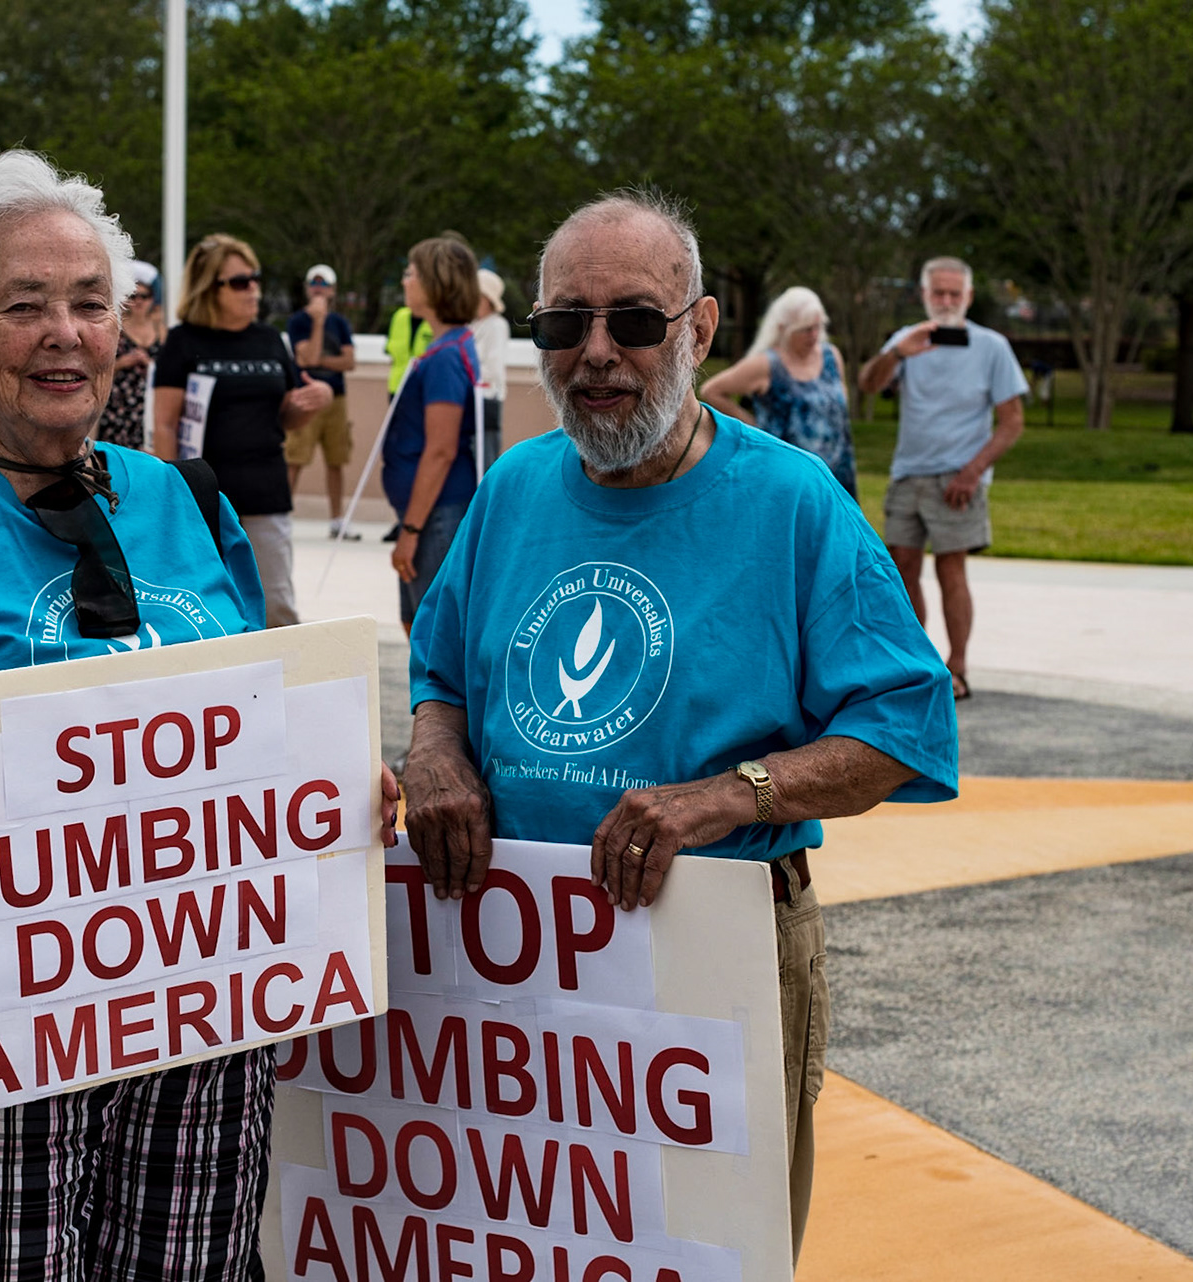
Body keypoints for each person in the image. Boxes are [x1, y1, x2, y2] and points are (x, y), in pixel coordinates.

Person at [0, 151, 394, 1281]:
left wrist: (339, 786)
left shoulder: (186, 504)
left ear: (123, 329)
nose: (66, 332)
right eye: (25, 304)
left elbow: (256, 727)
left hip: (199, 1031)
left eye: (91, 303)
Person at [402, 190, 959, 1264]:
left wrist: (727, 797)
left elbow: (905, 724)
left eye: (636, 322)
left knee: (701, 1249)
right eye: (564, 325)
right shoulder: (515, 488)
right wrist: (435, 750)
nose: (597, 353)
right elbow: (441, 667)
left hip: (713, 961)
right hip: (507, 962)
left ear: (700, 331)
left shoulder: (792, 503)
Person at [857, 256, 1028, 701]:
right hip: (908, 472)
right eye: (939, 293)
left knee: (952, 568)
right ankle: (918, 665)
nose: (947, 301)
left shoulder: (992, 347)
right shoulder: (909, 339)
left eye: (956, 294)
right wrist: (897, 353)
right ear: (924, 295)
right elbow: (868, 385)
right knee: (902, 569)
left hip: (959, 477)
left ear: (969, 297)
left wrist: (973, 472)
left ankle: (958, 667)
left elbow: (1012, 422)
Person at [151, 235, 332, 627]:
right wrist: (172, 494)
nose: (253, 289)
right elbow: (165, 423)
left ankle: (284, 688)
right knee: (206, 606)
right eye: (239, 281)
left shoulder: (269, 339)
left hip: (267, 490)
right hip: (204, 498)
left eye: (255, 278)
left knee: (276, 606)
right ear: (209, 288)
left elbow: (284, 415)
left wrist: (309, 403)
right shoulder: (183, 341)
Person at [384, 236, 481, 637]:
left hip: (435, 517)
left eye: (411, 273)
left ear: (434, 282)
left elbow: (440, 450)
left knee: (434, 636)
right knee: (419, 626)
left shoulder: (444, 357)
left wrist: (409, 532)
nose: (405, 281)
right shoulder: (447, 346)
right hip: (429, 515)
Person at [699, 285, 858, 499]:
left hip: (836, 474)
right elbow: (712, 391)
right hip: (787, 476)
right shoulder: (768, 365)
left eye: (817, 327)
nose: (814, 335)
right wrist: (754, 427)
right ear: (784, 328)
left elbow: (839, 407)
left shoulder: (831, 357)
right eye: (805, 329)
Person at [285, 263, 360, 539]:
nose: (319, 289)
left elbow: (349, 361)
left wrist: (322, 360)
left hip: (336, 400)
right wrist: (317, 322)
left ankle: (337, 519)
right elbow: (306, 359)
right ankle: (283, 514)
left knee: (336, 459)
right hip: (305, 397)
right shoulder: (298, 322)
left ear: (333, 290)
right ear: (307, 288)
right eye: (314, 283)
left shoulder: (340, 323)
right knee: (295, 458)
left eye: (324, 284)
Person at [95, 260, 164, 450]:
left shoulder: (161, 330)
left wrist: (149, 364)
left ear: (153, 298)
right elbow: (98, 369)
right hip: (119, 407)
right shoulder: (115, 328)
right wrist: (123, 363)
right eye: (134, 296)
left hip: (150, 407)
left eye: (145, 296)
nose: (140, 301)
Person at [471, 267, 511, 464]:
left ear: (486, 299)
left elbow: (492, 369)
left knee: (484, 458)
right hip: (471, 403)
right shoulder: (472, 325)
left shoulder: (496, 325)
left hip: (486, 402)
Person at [383, 302, 432, 395]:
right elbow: (391, 348)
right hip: (397, 386)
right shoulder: (399, 316)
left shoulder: (436, 320)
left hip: (425, 388)